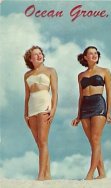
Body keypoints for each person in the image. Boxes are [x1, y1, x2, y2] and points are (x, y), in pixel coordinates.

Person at [71, 46, 111, 180]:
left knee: (95, 139)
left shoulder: (105, 71)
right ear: (85, 57)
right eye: (91, 53)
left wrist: (109, 112)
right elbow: (80, 96)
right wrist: (78, 115)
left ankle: (90, 173)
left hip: (98, 104)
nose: (94, 55)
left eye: (96, 53)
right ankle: (102, 173)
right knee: (93, 142)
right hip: (85, 107)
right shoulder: (80, 75)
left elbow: (109, 93)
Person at [23, 46, 58, 180]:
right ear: (30, 59)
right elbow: (26, 96)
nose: (39, 56)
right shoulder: (27, 75)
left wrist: (53, 109)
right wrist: (25, 114)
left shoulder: (50, 71)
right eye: (35, 54)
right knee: (39, 143)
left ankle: (41, 176)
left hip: (45, 105)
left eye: (40, 53)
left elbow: (55, 92)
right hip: (32, 108)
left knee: (43, 141)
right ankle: (47, 175)